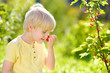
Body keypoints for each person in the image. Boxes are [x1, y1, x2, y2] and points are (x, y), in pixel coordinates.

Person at [2, 3, 57, 73]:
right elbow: (6, 70)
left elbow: (51, 67)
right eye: (44, 32)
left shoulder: (41, 45)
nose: (47, 36)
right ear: (31, 27)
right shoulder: (15, 45)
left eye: (48, 33)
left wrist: (50, 48)